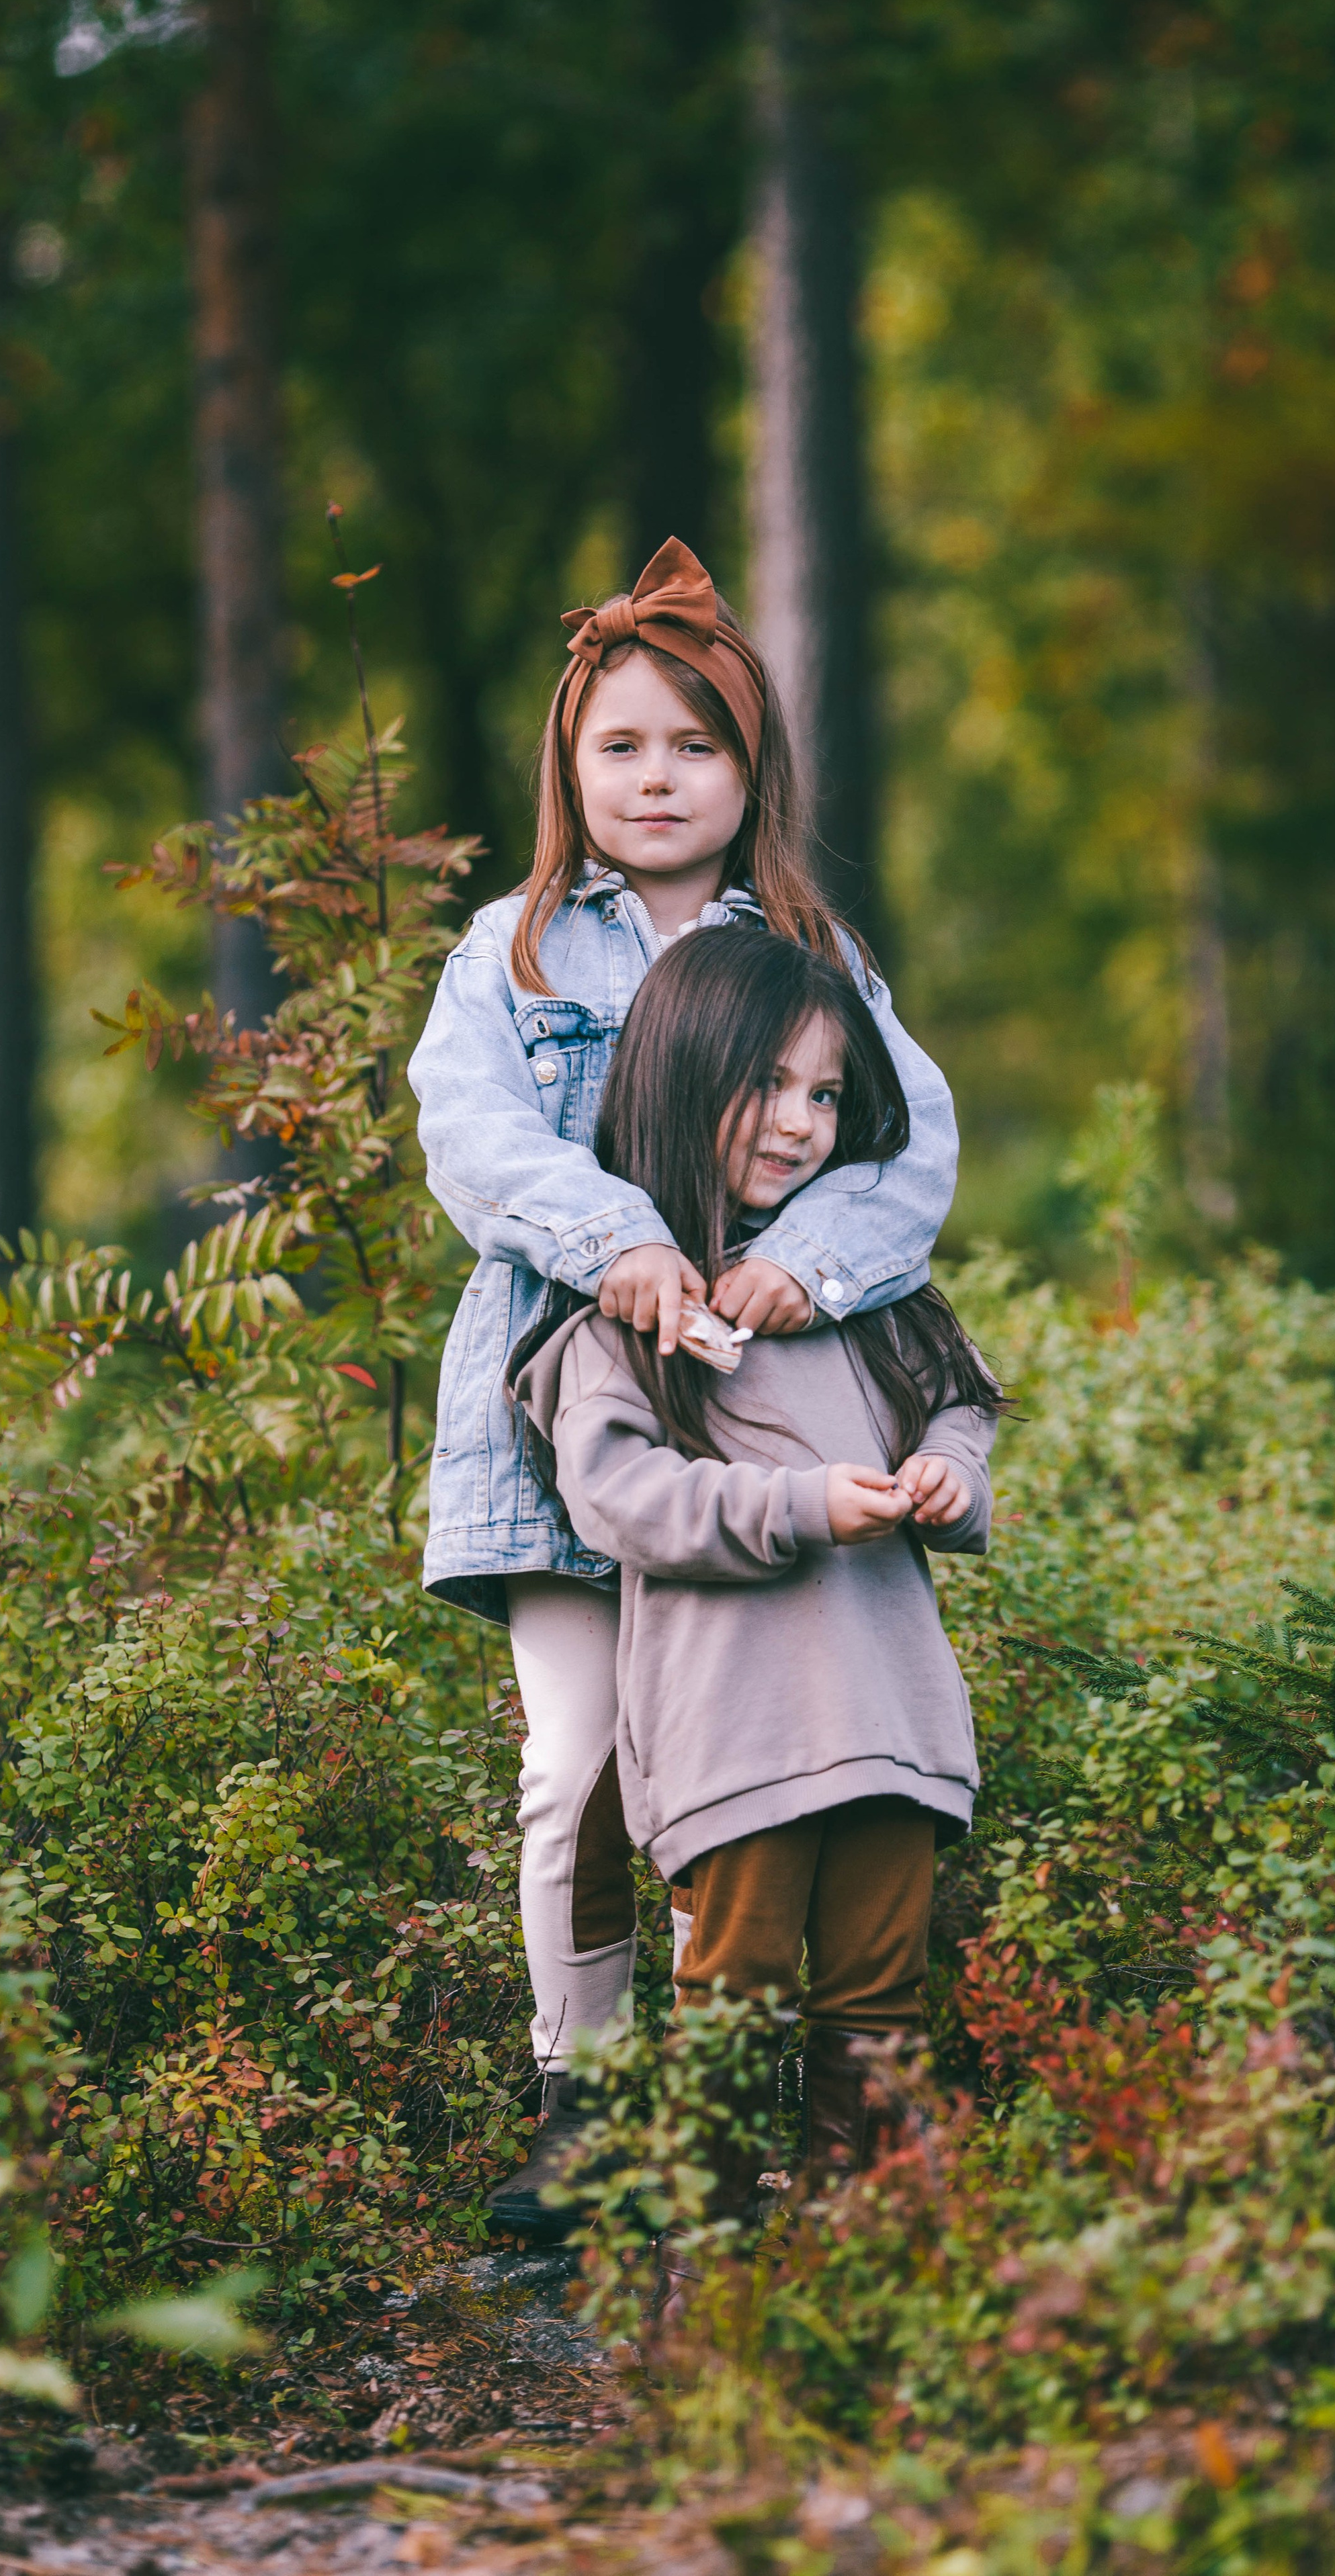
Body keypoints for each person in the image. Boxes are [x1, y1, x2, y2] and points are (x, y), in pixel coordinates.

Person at [406, 538, 959, 2237]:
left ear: (750, 768)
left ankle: (785, 2118)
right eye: (622, 746)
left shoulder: (812, 949)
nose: (658, 778)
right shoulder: (506, 954)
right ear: (569, 766)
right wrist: (620, 1239)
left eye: (695, 745)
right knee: (575, 1762)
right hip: (556, 1416)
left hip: (761, 1421)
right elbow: (471, 1133)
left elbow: (906, 1141)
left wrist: (812, 1261)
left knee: (757, 1762)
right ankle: (587, 2097)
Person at [510, 925, 999, 2225]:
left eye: (825, 1094)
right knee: (728, 1997)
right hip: (737, 1733)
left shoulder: (863, 1288)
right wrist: (804, 1508)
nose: (798, 1124)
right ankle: (706, 2268)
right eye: (765, 1086)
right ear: (678, 1081)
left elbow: (956, 1404)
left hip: (889, 1716)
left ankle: (854, 2249)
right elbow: (622, 1499)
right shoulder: (627, 1317)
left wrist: (950, 1475)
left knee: (876, 2000)